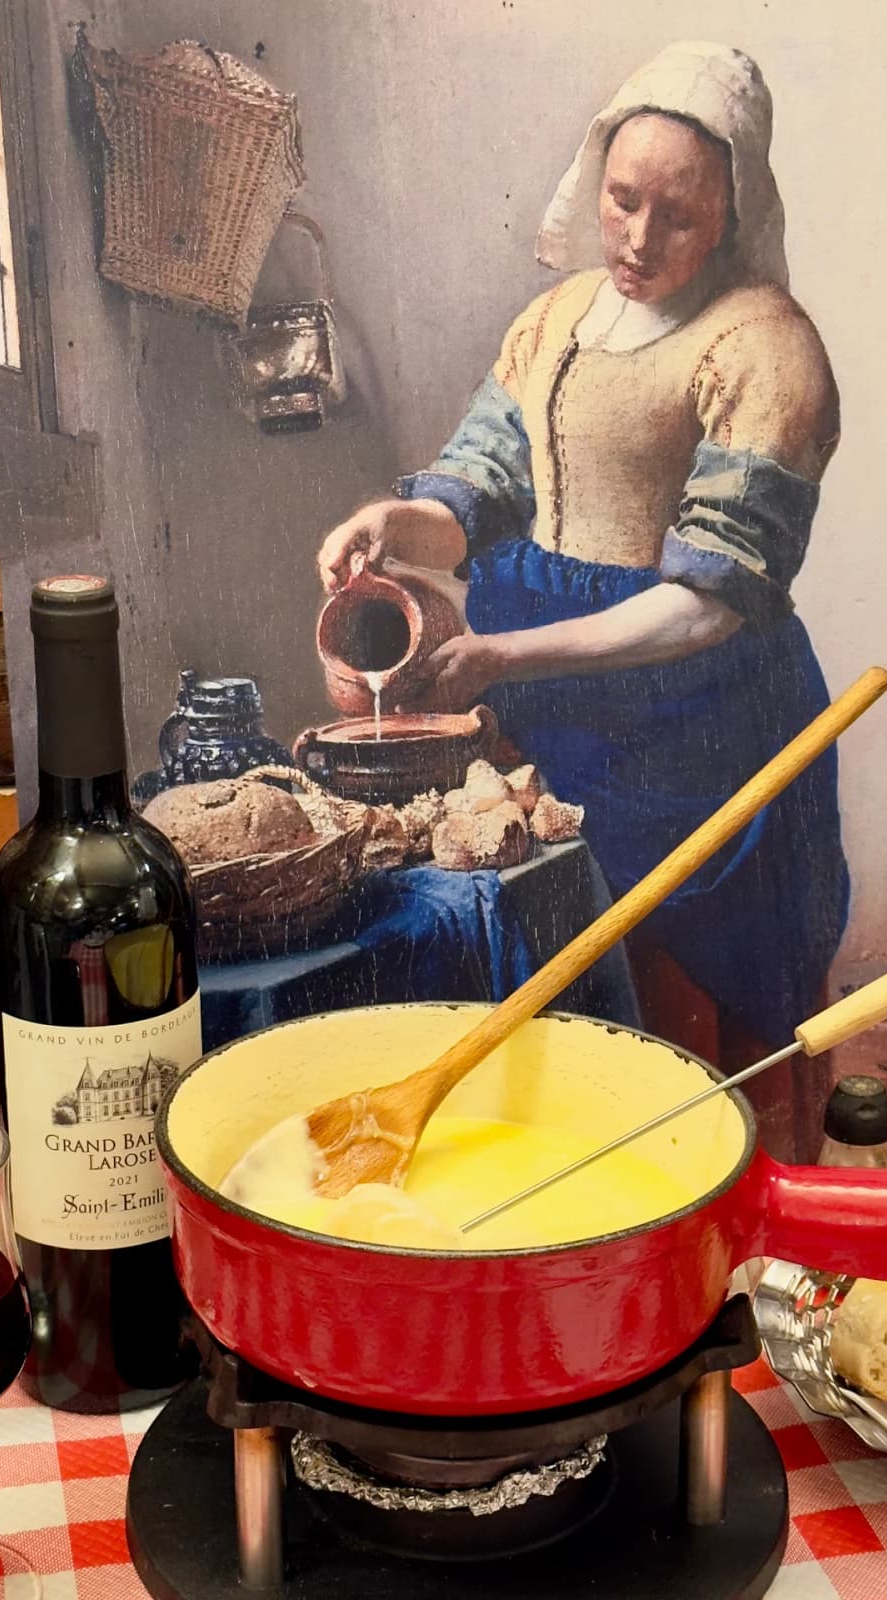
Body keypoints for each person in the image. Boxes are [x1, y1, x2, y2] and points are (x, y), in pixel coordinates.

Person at [316, 40, 848, 1053]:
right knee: (544, 997)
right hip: (543, 719)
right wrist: (390, 525)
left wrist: (501, 657)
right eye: (621, 199)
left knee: (680, 1021)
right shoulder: (554, 317)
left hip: (695, 725)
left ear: (732, 215)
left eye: (678, 214)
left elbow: (710, 600)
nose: (638, 237)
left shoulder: (763, 347)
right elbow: (475, 497)